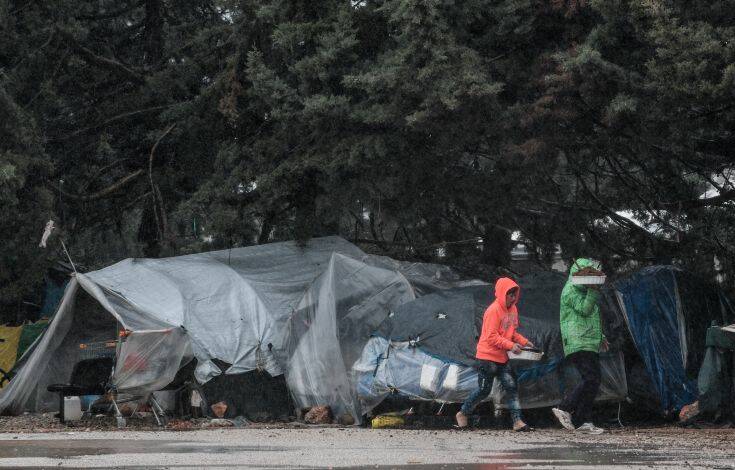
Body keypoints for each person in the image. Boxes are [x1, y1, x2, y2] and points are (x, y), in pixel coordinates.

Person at [456, 277, 533, 431]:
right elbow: (491, 336)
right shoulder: (493, 310)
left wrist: (524, 342)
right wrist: (511, 345)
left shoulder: (513, 310)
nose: (512, 298)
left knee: (511, 387)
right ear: (502, 294)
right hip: (486, 357)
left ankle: (517, 421)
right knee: (484, 390)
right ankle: (463, 412)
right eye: (509, 295)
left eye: (514, 295)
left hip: (502, 357)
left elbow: (511, 332)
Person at [552, 258, 609, 435]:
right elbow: (584, 309)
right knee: (591, 378)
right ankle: (565, 408)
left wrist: (601, 337)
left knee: (593, 379)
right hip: (578, 341)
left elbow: (590, 317)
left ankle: (583, 420)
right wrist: (593, 292)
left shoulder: (583, 290)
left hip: (588, 340)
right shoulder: (570, 290)